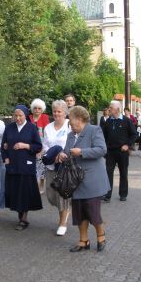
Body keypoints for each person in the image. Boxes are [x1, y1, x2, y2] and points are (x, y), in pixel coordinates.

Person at [57, 106, 110, 252]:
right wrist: (63, 154)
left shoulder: (94, 130)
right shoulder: (70, 135)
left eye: (72, 121)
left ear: (79, 119)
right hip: (75, 180)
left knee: (92, 211)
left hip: (92, 179)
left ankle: (101, 235)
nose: (70, 124)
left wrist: (82, 152)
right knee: (79, 212)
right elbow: (68, 151)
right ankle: (83, 240)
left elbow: (102, 149)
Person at [1, 105, 43, 230]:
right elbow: (3, 145)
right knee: (15, 191)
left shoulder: (31, 128)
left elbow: (38, 146)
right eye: (16, 115)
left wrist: (25, 146)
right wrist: (5, 158)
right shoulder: (9, 128)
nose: (18, 118)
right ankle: (20, 216)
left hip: (26, 165)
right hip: (12, 165)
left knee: (24, 191)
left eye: (20, 115)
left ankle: (23, 219)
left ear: (25, 115)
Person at [42, 100, 71, 236]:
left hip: (65, 166)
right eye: (54, 111)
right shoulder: (48, 127)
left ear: (65, 113)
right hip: (51, 165)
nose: (56, 114)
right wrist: (50, 155)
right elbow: (45, 145)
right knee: (51, 194)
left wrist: (64, 154)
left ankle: (62, 223)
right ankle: (65, 212)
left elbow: (73, 143)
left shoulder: (69, 126)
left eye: (59, 111)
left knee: (62, 195)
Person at [102, 101, 137, 202]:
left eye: (110, 108)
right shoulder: (108, 121)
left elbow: (134, 134)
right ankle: (107, 195)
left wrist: (128, 145)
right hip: (110, 152)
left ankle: (123, 194)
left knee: (123, 173)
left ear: (117, 109)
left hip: (122, 152)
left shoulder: (126, 121)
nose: (109, 110)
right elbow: (103, 136)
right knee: (108, 173)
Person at [29, 98, 50, 193]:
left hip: (42, 144)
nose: (37, 110)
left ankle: (41, 184)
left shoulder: (45, 117)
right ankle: (32, 185)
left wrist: (42, 149)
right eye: (35, 108)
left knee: (41, 167)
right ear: (32, 109)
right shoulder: (28, 118)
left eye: (39, 108)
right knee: (31, 166)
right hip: (30, 145)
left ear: (42, 109)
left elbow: (47, 133)